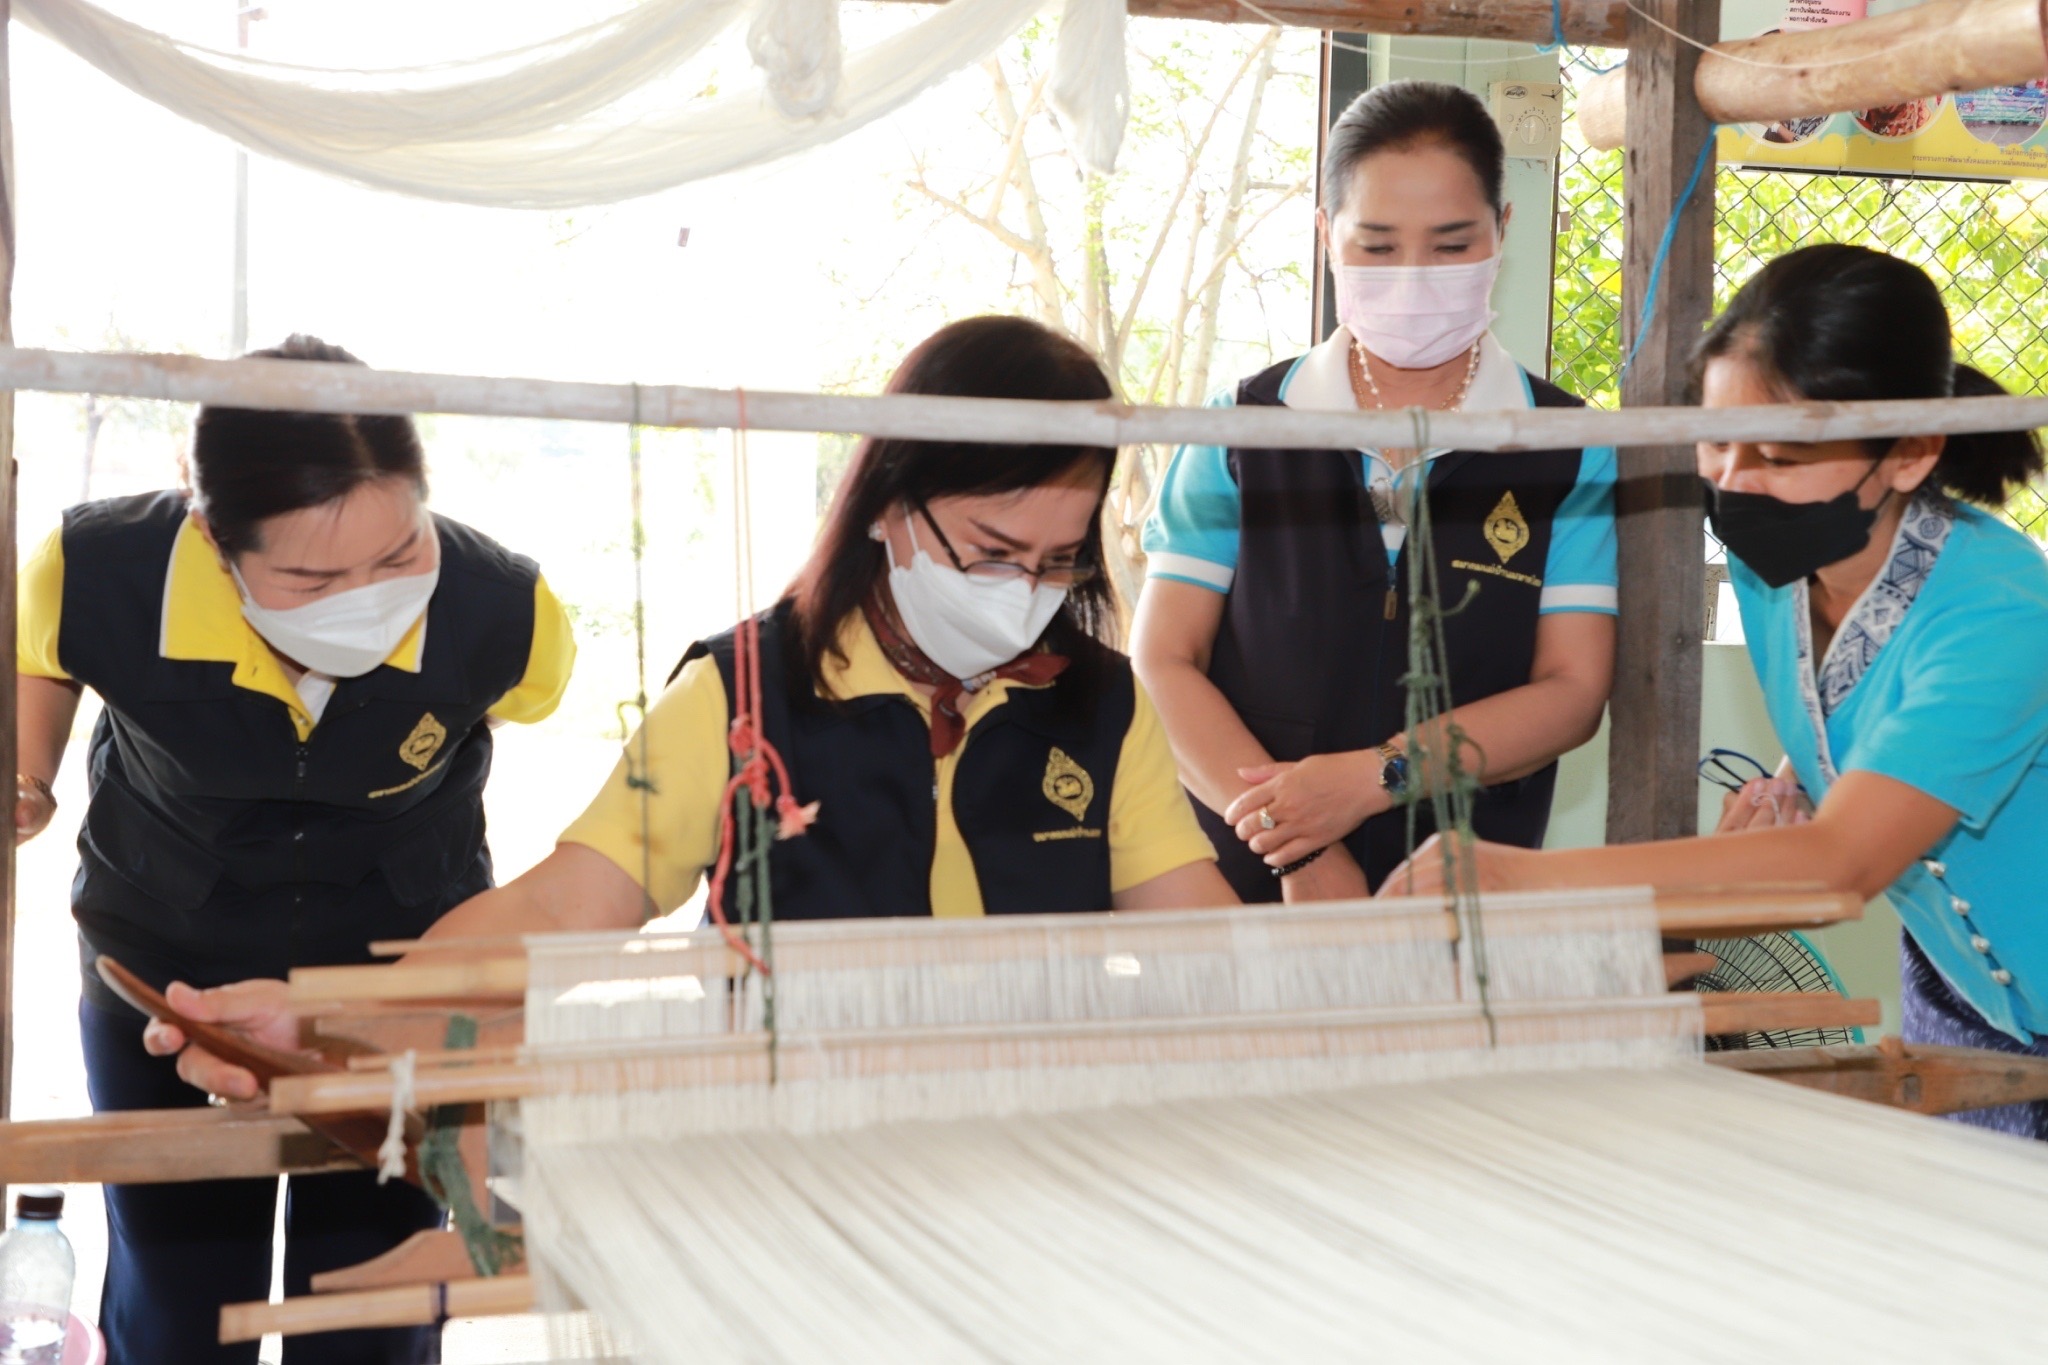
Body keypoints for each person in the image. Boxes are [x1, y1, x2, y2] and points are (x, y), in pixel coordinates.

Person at [149, 316, 1235, 1107]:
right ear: (890, 506)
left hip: (1034, 1157)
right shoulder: (742, 694)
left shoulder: (1099, 708)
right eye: (991, 554)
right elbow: (561, 912)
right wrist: (330, 1020)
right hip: (790, 1165)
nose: (1025, 591)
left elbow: (1199, 945)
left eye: (1056, 561)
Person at [1389, 244, 2048, 1140]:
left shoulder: (1999, 613)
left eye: (1778, 453)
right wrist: (1805, 775)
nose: (1734, 482)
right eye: (1716, 440)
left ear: (1909, 453)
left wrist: (1519, 881)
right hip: (1962, 992)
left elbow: (1840, 865)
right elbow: (1858, 709)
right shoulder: (1776, 562)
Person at [16, 335, 577, 1363]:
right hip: (163, 976)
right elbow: (39, 653)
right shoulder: (100, 570)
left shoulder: (503, 608)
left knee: (371, 1290)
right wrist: (29, 768)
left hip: (397, 981)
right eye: (313, 579)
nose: (366, 595)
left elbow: (520, 714)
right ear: (211, 537)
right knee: (181, 1294)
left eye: (399, 556)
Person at [1132, 79, 1617, 905]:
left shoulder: (1565, 447)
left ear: (1503, 229)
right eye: (1379, 246)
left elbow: (1571, 692)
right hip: (1239, 890)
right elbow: (1163, 661)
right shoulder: (1243, 428)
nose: (1414, 276)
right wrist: (1300, 848)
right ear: (1327, 235)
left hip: (1463, 894)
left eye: (1452, 245)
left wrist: (1375, 777)